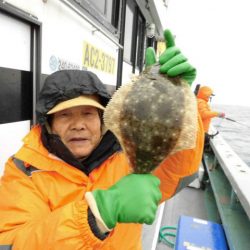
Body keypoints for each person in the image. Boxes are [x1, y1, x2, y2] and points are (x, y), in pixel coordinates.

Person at [0, 30, 204, 250]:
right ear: (48, 124)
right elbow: (13, 242)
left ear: (102, 120)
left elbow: (177, 175)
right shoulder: (24, 170)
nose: (78, 125)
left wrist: (183, 100)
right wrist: (95, 216)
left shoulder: (129, 156)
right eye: (65, 115)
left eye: (88, 113)